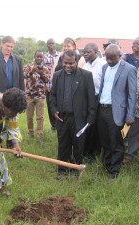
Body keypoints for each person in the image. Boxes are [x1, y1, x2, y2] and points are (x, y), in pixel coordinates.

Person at [50, 50, 96, 179]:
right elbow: (52, 96)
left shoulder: (86, 75)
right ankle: (62, 170)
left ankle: (76, 170)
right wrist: (54, 111)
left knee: (78, 145)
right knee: (63, 145)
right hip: (62, 118)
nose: (68, 66)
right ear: (62, 62)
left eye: (71, 63)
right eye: (65, 63)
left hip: (79, 118)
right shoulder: (57, 75)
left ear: (76, 61)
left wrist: (90, 118)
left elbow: (91, 98)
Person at [97, 44, 137, 179]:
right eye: (107, 58)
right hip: (102, 109)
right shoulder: (104, 67)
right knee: (105, 141)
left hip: (117, 112)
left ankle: (114, 172)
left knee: (116, 142)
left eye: (112, 58)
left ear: (120, 56)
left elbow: (132, 94)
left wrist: (130, 115)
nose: (109, 61)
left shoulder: (129, 69)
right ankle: (106, 166)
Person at [0, 36, 24, 148]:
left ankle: (11, 142)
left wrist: (22, 96)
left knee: (12, 119)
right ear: (2, 44)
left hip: (13, 96)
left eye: (12, 46)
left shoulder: (17, 59)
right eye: (7, 46)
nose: (9, 49)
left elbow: (20, 79)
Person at [82, 43, 106, 162]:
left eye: (88, 52)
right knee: (87, 125)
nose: (85, 54)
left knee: (95, 127)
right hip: (86, 99)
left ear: (96, 52)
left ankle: (94, 154)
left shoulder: (102, 65)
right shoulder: (85, 66)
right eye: (84, 52)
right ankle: (85, 151)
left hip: (98, 99)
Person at [24, 50, 49, 140]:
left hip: (40, 96)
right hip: (30, 95)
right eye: (37, 56)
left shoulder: (45, 68)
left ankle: (39, 135)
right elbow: (24, 75)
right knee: (29, 116)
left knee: (40, 117)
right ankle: (30, 133)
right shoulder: (28, 66)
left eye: (41, 56)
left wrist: (42, 74)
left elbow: (47, 81)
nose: (39, 58)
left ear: (43, 58)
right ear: (34, 56)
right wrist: (31, 72)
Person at [43, 38, 60, 131]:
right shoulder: (44, 57)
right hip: (49, 85)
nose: (51, 45)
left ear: (55, 44)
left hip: (59, 85)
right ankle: (53, 125)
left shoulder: (60, 55)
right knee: (50, 105)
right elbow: (41, 71)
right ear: (47, 45)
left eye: (52, 43)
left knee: (59, 104)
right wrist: (44, 86)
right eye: (49, 43)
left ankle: (59, 123)